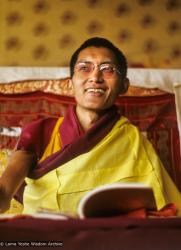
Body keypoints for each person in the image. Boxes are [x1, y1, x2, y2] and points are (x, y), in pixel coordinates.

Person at [0, 37, 181, 216]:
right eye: (84, 68)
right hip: (46, 234)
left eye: (107, 69)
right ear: (70, 84)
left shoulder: (132, 140)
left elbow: (162, 208)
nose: (95, 77)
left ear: (123, 85)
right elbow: (4, 192)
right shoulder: (41, 132)